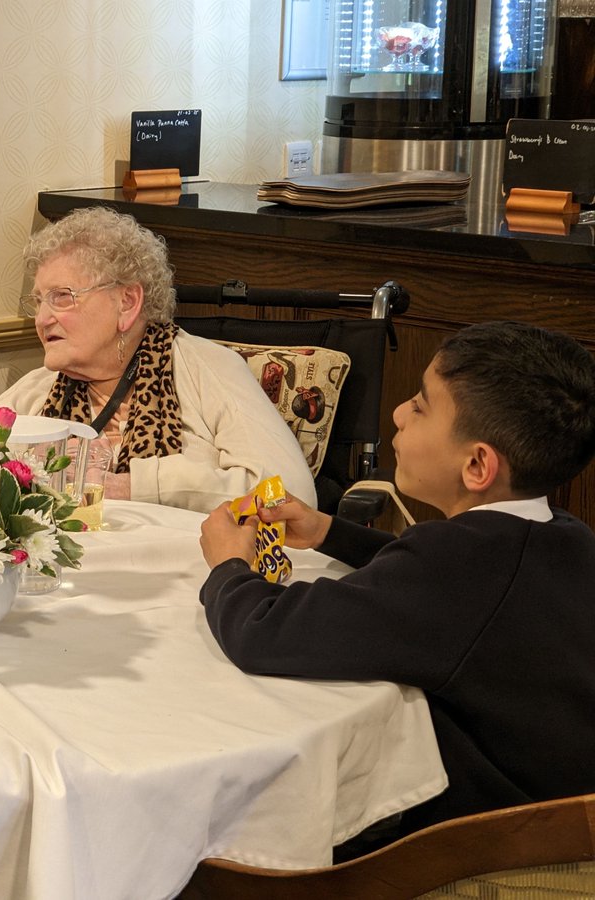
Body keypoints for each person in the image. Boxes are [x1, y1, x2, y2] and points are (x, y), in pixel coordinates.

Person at [198, 320, 595, 844]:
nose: (398, 414)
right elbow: (433, 587)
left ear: (477, 464)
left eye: (420, 406)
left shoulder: (451, 567)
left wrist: (228, 566)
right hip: (564, 826)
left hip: (487, 849)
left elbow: (263, 633)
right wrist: (328, 532)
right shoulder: (565, 534)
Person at [0, 206, 314, 513]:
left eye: (62, 297)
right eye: (39, 301)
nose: (42, 319)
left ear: (127, 302)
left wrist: (130, 487)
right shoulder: (39, 390)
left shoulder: (208, 368)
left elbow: (289, 494)